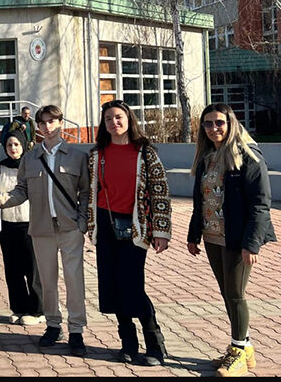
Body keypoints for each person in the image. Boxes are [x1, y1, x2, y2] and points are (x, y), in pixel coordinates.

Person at [0, 104, 90, 356]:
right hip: (41, 229)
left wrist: (82, 221)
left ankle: (76, 330)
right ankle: (53, 325)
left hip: (70, 227)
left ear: (61, 122)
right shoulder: (31, 158)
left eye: (52, 121)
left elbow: (85, 192)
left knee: (74, 281)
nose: (47, 126)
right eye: (43, 123)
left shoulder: (77, 156)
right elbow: (21, 192)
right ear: (37, 127)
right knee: (48, 281)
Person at [187, 103, 276, 377]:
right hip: (213, 236)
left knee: (236, 294)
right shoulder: (206, 157)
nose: (214, 128)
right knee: (227, 293)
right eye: (208, 123)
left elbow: (261, 203)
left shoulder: (247, 155)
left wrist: (252, 242)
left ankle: (238, 351)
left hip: (238, 238)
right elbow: (199, 200)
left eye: (219, 123)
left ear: (231, 123)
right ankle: (244, 348)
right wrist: (193, 235)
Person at [87, 100, 172, 366]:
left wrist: (161, 230)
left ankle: (155, 346)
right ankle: (127, 344)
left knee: (132, 285)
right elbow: (91, 191)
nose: (114, 122)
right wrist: (90, 224)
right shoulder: (96, 154)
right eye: (109, 118)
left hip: (137, 226)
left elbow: (160, 191)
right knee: (112, 285)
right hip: (106, 224)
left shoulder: (145, 152)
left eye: (119, 117)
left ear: (129, 119)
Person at [0, 128, 44, 327]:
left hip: (29, 224)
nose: (13, 148)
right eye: (9, 145)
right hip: (8, 225)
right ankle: (19, 308)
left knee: (33, 269)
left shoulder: (32, 165)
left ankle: (38, 310)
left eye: (16, 144)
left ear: (23, 146)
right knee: (13, 271)